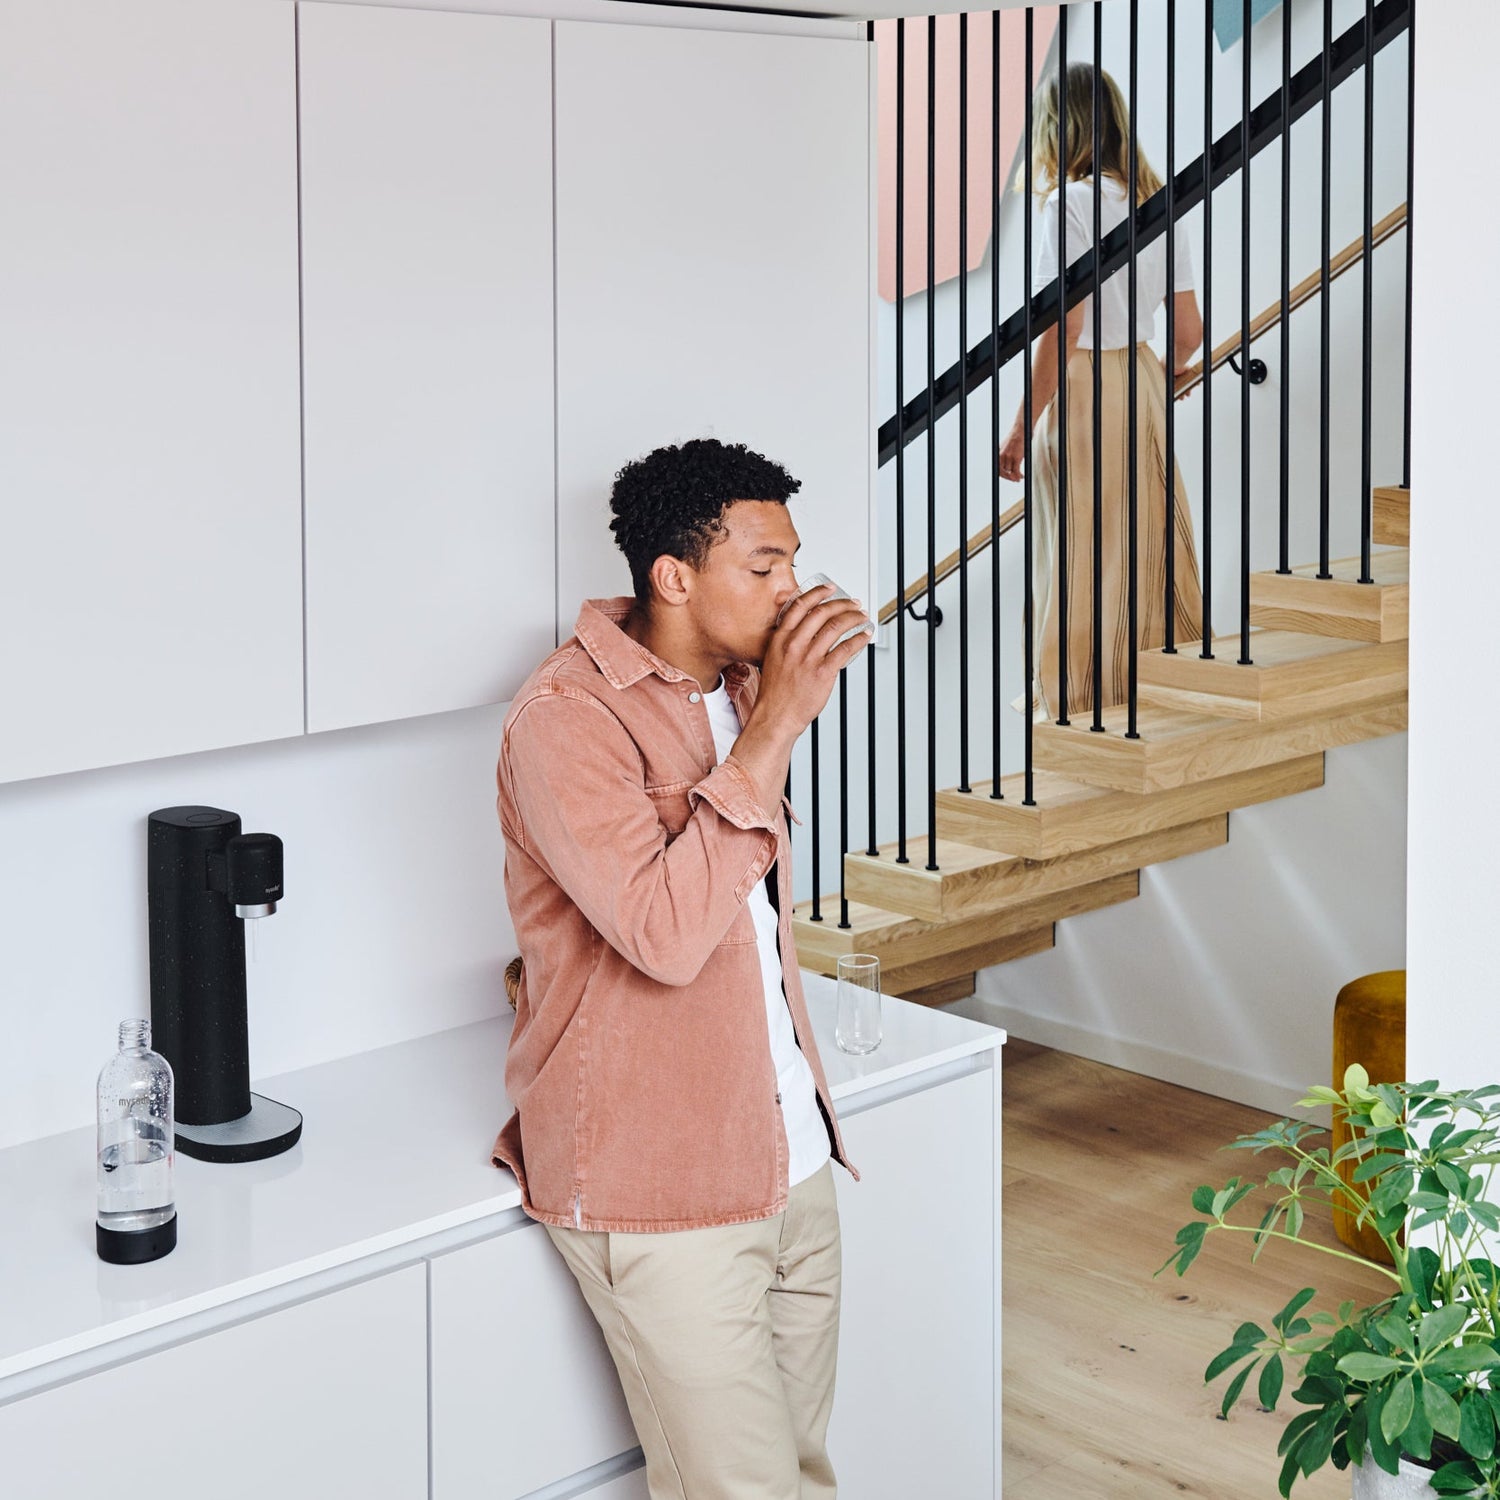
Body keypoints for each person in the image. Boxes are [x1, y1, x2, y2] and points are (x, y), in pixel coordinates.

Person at [492, 438, 872, 1500]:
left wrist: (774, 712)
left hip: (791, 1158)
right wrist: (782, 724)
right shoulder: (566, 720)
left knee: (801, 1478)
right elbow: (663, 935)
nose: (790, 589)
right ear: (674, 578)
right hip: (664, 1186)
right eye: (763, 568)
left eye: (792, 562)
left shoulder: (741, 692)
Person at [998, 62, 1206, 721]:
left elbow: (1067, 324)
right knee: (1143, 536)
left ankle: (1077, 696)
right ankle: (1153, 679)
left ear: (1060, 127)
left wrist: (1020, 423)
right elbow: (1190, 330)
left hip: (1085, 385)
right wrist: (1164, 378)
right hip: (1141, 378)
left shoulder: (1069, 202)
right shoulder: (1152, 196)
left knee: (1078, 542)